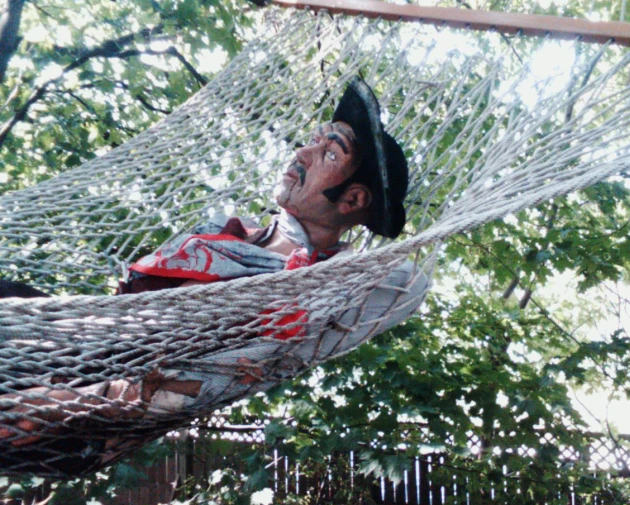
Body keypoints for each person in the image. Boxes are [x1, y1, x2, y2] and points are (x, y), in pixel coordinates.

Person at [0, 78, 428, 472]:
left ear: (353, 199)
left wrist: (52, 403)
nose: (302, 154)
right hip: (65, 348)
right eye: (314, 141)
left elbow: (409, 282)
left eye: (329, 153)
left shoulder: (312, 291)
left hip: (81, 415)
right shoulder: (227, 236)